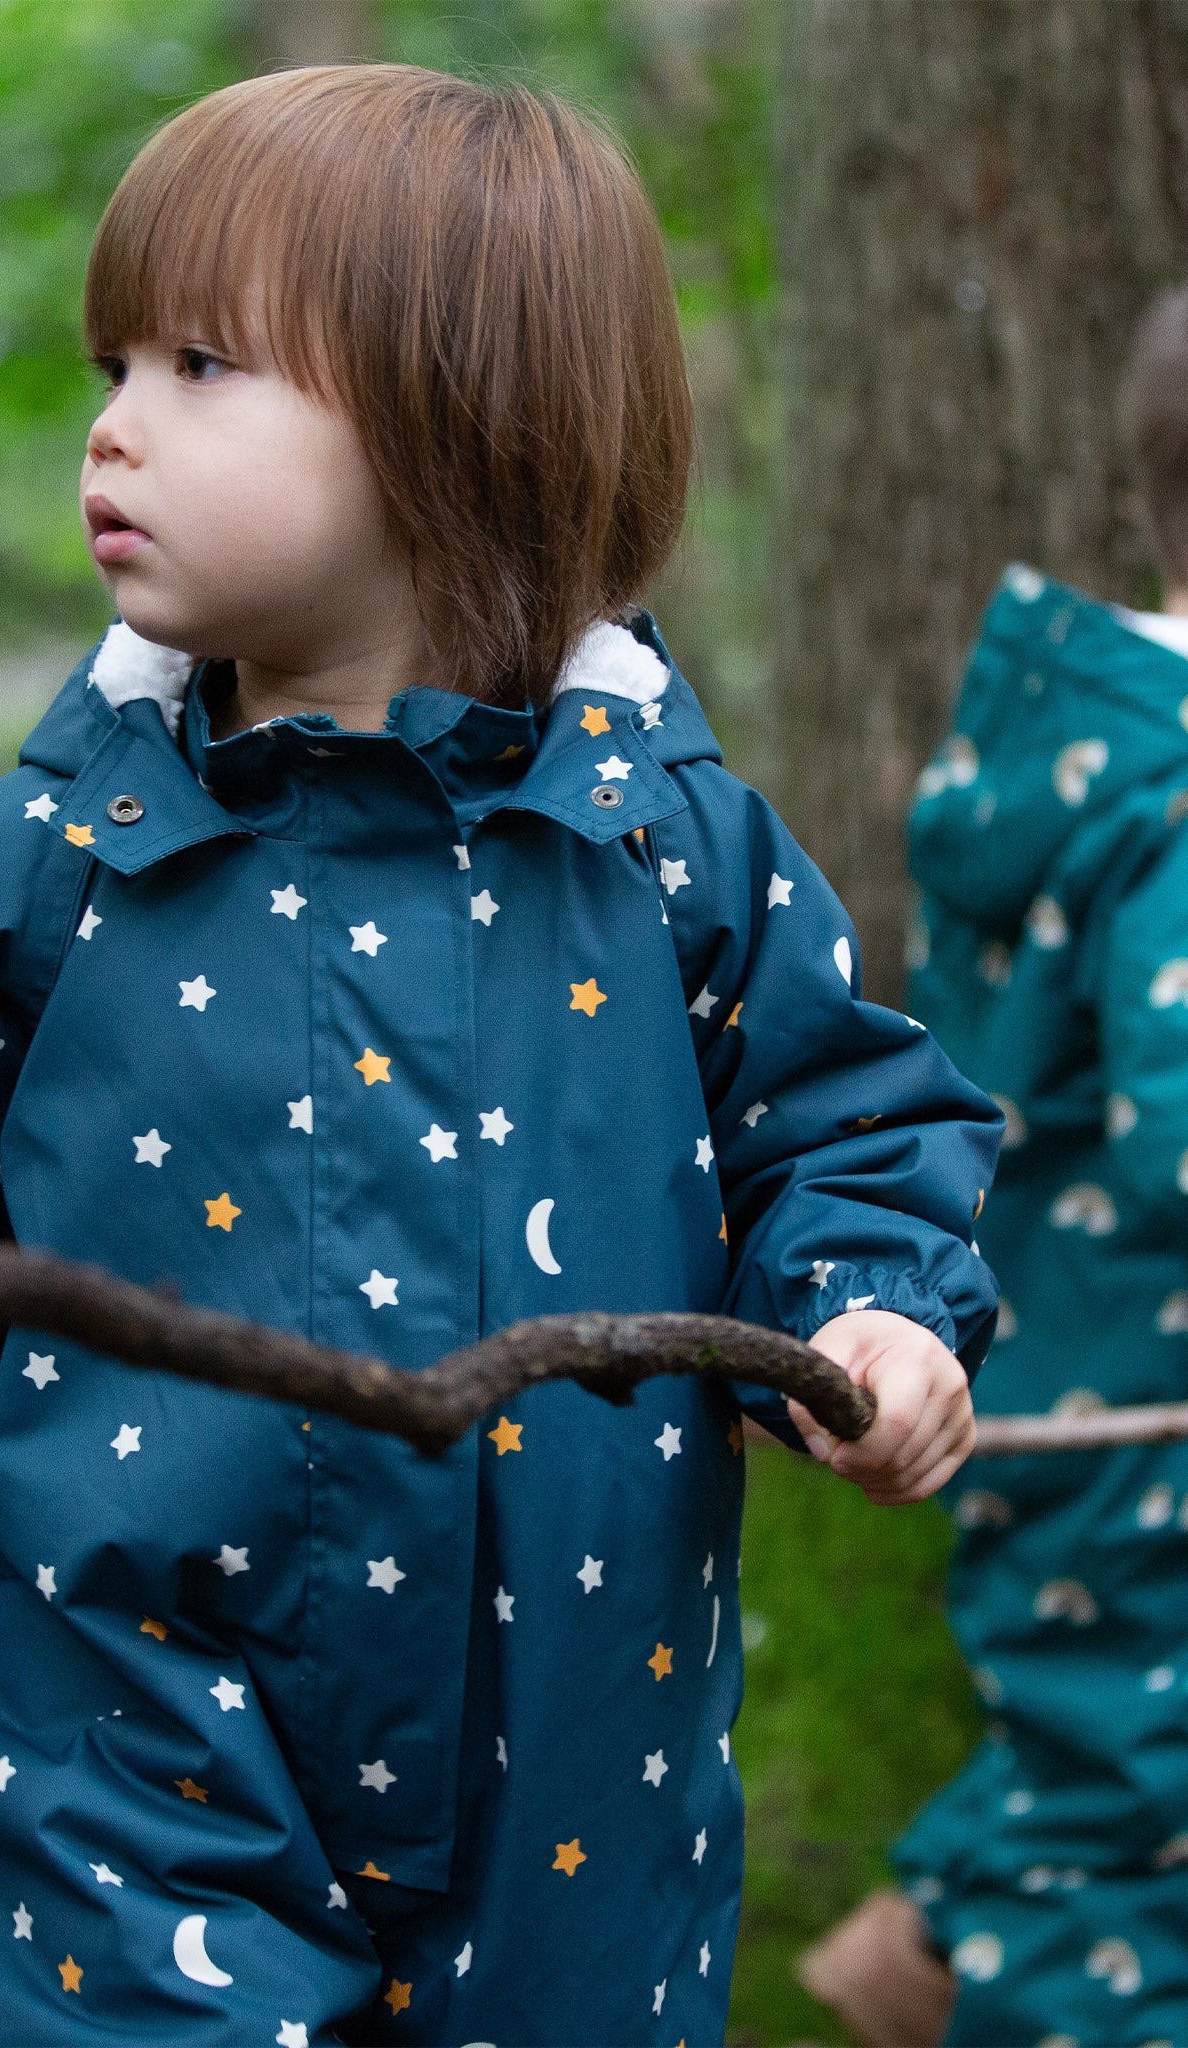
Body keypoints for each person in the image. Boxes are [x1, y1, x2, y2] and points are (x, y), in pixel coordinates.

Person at [0, 66, 1000, 2046]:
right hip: (98, 1746)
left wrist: (875, 1317)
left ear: (466, 417)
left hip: (567, 1783)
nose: (112, 425)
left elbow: (845, 1118)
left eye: (201, 364)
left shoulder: (668, 859)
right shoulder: (32, 875)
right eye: (115, 361)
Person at [799, 284, 1188, 2047]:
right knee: (1131, 1825)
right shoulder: (1175, 801)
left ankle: (924, 1945)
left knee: (1095, 1755)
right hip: (1141, 1449)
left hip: (1084, 1404)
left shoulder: (1103, 767)